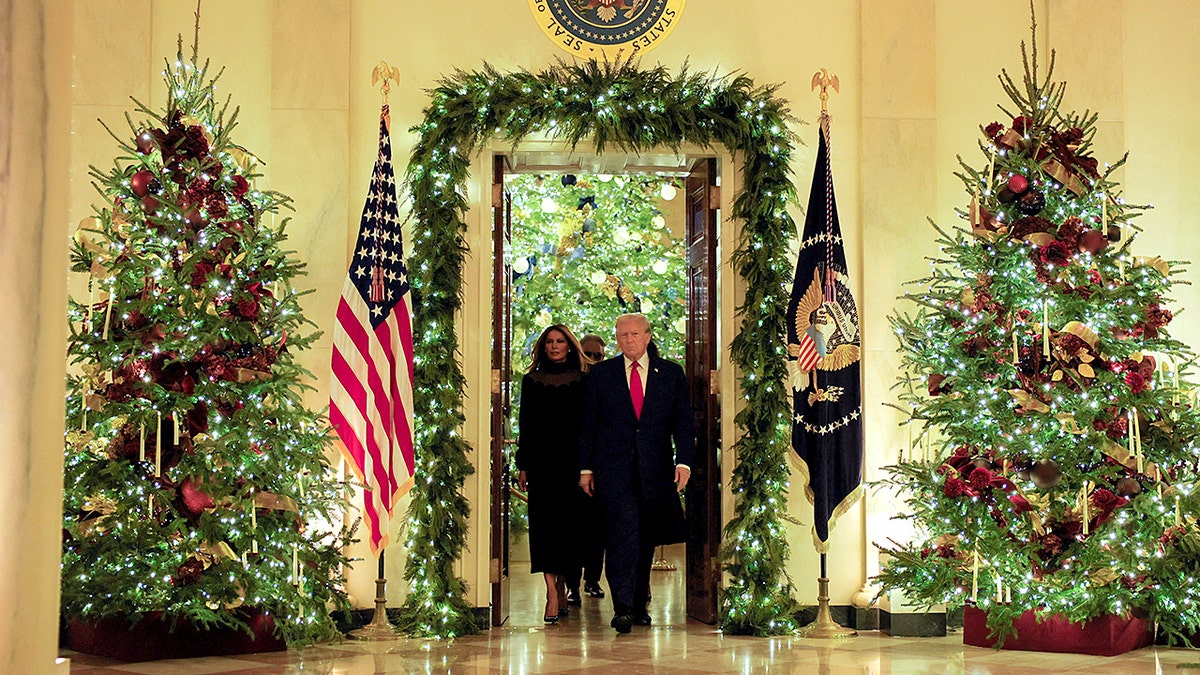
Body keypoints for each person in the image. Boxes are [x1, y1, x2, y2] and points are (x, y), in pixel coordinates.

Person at [578, 313, 693, 633]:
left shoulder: (670, 373)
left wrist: (684, 462)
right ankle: (623, 608)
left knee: (646, 538)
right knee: (620, 536)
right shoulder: (602, 374)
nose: (628, 340)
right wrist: (586, 468)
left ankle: (639, 604)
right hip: (613, 470)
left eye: (634, 334)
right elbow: (588, 424)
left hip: (655, 470)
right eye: (622, 335)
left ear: (647, 336)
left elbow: (682, 421)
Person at [516, 324, 589, 624]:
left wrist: (589, 466)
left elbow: (589, 426)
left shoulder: (584, 380)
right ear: (543, 346)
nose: (554, 346)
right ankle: (551, 592)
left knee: (569, 529)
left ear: (569, 345)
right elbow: (526, 424)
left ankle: (563, 582)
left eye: (560, 341)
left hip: (573, 465)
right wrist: (523, 464)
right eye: (549, 342)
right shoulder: (530, 381)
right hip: (541, 464)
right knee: (544, 528)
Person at [572, 333, 608, 601]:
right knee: (573, 527)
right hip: (570, 462)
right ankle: (571, 585)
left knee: (597, 528)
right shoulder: (570, 379)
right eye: (589, 354)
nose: (594, 359)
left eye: (599, 355)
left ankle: (592, 579)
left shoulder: (607, 381)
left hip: (600, 464)